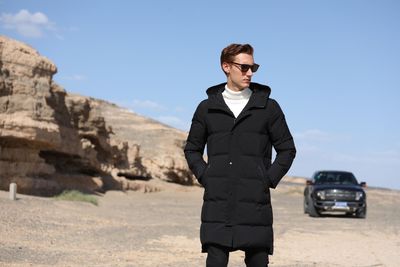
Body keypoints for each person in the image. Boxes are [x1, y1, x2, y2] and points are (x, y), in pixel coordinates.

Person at [184, 43, 296, 267]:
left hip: (255, 203)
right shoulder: (206, 108)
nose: (250, 73)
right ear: (226, 67)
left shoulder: (268, 107)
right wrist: (207, 176)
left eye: (253, 67)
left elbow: (287, 149)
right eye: (244, 67)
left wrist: (267, 179)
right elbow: (192, 149)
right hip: (218, 203)